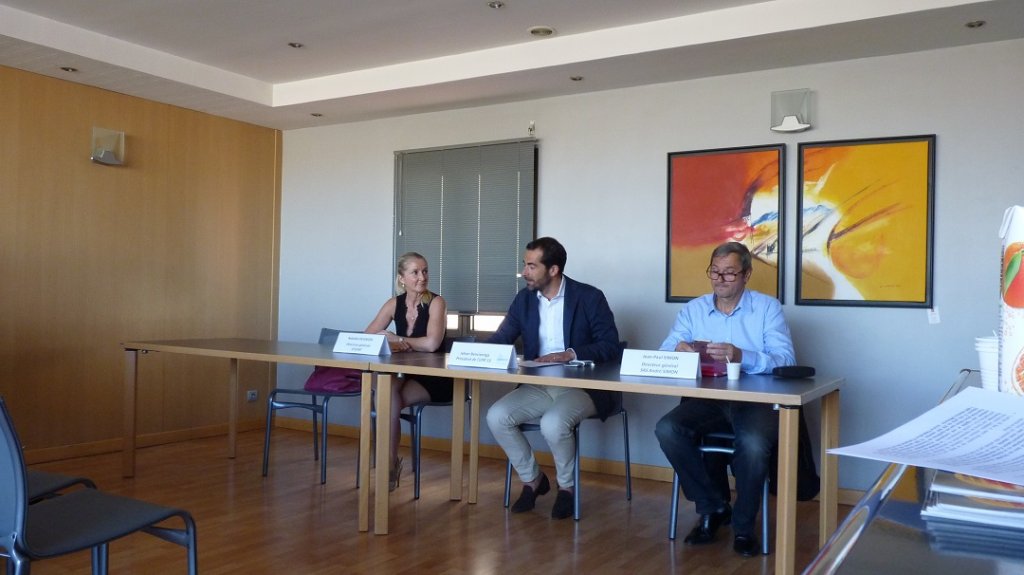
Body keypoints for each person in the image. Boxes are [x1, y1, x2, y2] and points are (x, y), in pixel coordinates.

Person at [654, 241, 795, 557]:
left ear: (746, 274)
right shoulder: (693, 309)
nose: (720, 279)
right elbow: (664, 351)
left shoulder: (766, 308)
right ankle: (713, 506)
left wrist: (741, 355)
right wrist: (678, 351)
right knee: (667, 429)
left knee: (755, 445)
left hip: (755, 398)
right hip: (708, 399)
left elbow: (785, 359)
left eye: (729, 273)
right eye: (715, 272)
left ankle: (744, 527)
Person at [485, 237, 622, 519]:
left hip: (582, 386)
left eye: (532, 266)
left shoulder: (589, 297)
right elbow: (502, 338)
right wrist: (471, 353)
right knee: (496, 416)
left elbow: (610, 345)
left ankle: (567, 488)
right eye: (525, 264)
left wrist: (569, 354)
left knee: (553, 423)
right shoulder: (524, 299)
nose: (525, 271)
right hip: (539, 384)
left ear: (553, 270)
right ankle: (533, 480)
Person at [365, 252, 450, 491]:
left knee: (388, 398)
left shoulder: (436, 302)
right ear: (402, 278)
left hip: (436, 377)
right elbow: (367, 336)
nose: (422, 277)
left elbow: (432, 344)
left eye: (425, 271)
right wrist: (385, 337)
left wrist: (396, 338)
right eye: (415, 272)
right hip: (405, 372)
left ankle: (388, 464)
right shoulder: (394, 303)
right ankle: (390, 463)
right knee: (388, 390)